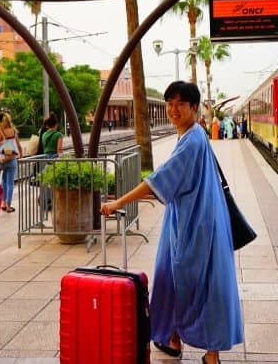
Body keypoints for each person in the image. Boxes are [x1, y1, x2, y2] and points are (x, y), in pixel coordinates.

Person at [101, 81, 243, 364]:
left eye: (180, 104)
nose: (173, 109)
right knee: (178, 280)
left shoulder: (191, 140)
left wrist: (117, 203)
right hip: (194, 219)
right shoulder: (194, 135)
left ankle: (208, 353)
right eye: (169, 103)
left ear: (194, 107)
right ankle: (175, 339)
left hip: (194, 224)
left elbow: (159, 181)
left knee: (193, 283)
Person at [0, 112, 23, 213]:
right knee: (10, 183)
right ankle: (8, 206)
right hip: (12, 158)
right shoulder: (14, 131)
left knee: (4, 182)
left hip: (3, 158)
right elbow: (18, 146)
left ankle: (3, 203)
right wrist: (20, 155)